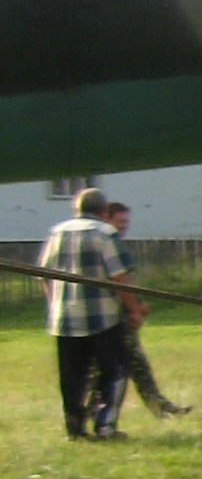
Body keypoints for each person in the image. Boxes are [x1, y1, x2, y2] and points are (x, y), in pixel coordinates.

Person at [36, 185, 129, 440]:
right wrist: (135, 308)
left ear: (76, 208)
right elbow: (119, 276)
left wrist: (55, 303)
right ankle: (105, 425)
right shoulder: (105, 233)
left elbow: (44, 275)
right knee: (114, 372)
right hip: (103, 319)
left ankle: (75, 429)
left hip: (64, 319)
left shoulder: (56, 233)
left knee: (72, 377)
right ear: (102, 210)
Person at [98, 199, 190, 425]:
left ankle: (160, 406)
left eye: (127, 222)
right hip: (111, 318)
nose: (124, 226)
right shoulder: (106, 242)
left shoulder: (114, 242)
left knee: (137, 365)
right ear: (106, 219)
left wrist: (138, 303)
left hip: (121, 316)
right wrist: (135, 309)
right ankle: (100, 414)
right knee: (113, 369)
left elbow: (125, 281)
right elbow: (117, 281)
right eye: (120, 221)